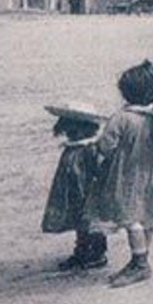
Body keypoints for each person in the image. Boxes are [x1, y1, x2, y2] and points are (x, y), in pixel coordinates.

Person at [86, 60, 153, 288]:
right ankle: (142, 257)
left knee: (132, 220)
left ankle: (140, 264)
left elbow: (106, 146)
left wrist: (94, 148)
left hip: (128, 178)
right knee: (147, 218)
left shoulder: (122, 118)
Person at [42, 103, 109, 271]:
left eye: (73, 129)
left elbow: (97, 170)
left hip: (87, 190)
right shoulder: (72, 148)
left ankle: (97, 253)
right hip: (72, 190)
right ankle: (82, 251)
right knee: (78, 220)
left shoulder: (90, 148)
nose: (69, 132)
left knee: (92, 222)